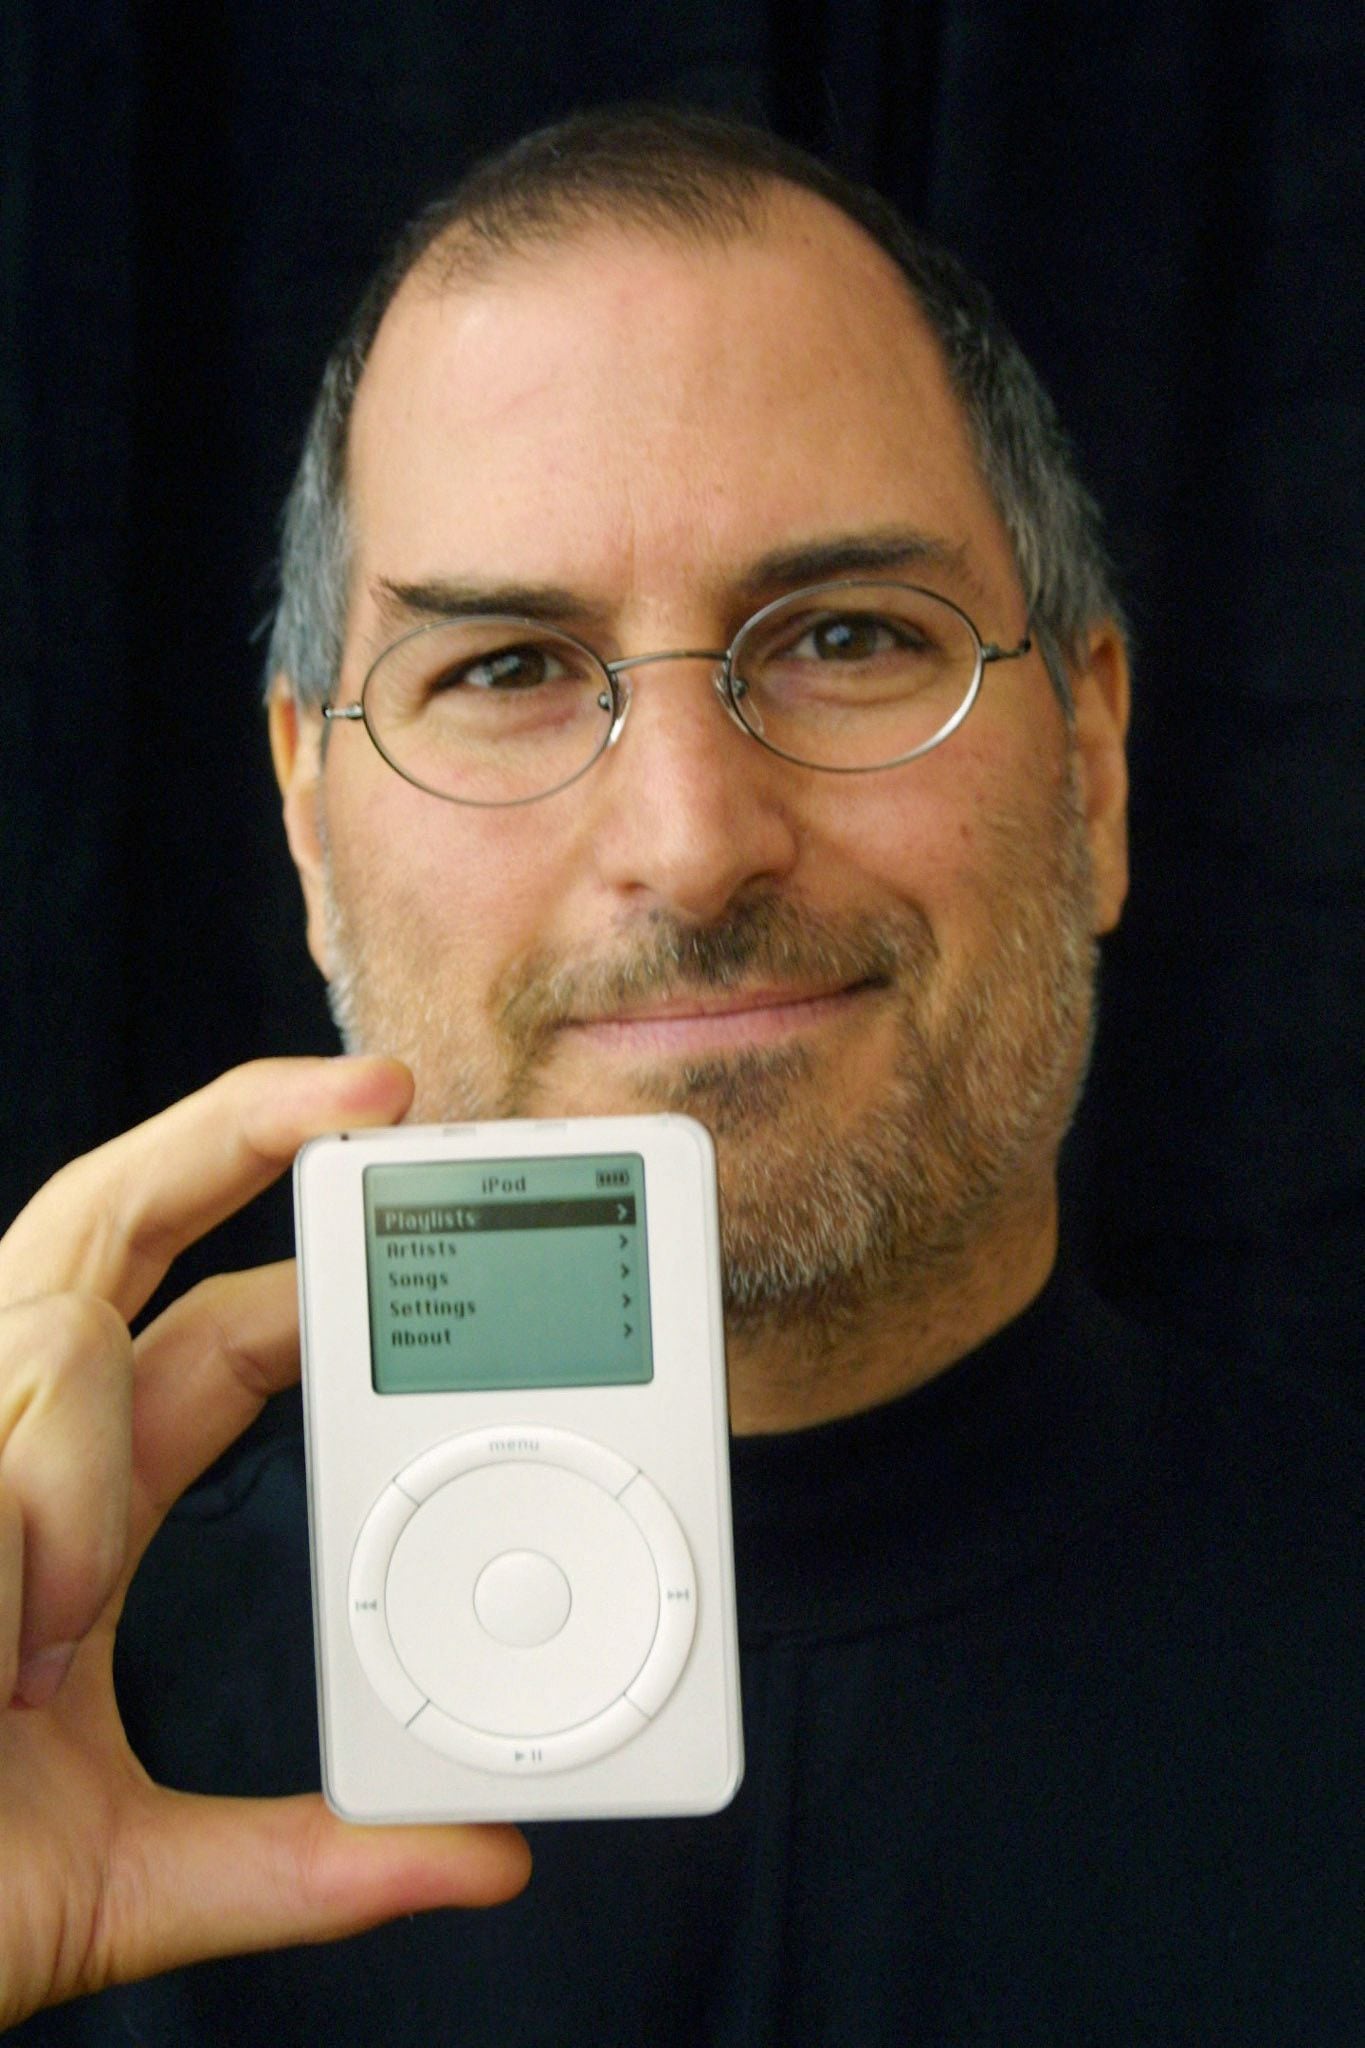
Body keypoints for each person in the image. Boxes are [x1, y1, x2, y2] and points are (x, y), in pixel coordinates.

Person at [3, 108, 1361, 2045]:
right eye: (502, 667)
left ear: (1091, 762)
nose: (691, 837)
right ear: (308, 822)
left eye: (841, 638)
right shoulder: (63, 1720)